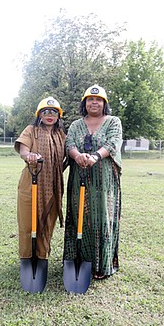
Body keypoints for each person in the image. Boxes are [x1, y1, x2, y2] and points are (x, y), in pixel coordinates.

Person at [64, 84, 123, 280]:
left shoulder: (113, 122)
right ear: (85, 103)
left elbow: (113, 143)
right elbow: (69, 144)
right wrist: (77, 155)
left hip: (104, 180)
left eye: (98, 100)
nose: (94, 102)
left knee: (102, 218)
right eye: (90, 99)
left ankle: (101, 265)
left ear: (104, 103)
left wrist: (96, 156)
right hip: (78, 179)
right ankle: (78, 262)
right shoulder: (75, 125)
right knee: (80, 216)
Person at [15, 97, 67, 262]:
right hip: (31, 183)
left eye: (53, 112)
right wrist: (29, 155)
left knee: (47, 224)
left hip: (52, 187)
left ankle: (41, 257)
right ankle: (27, 258)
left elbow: (68, 156)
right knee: (27, 224)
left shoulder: (61, 135)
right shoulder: (31, 130)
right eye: (45, 112)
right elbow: (23, 150)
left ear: (58, 115)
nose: (49, 115)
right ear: (40, 115)